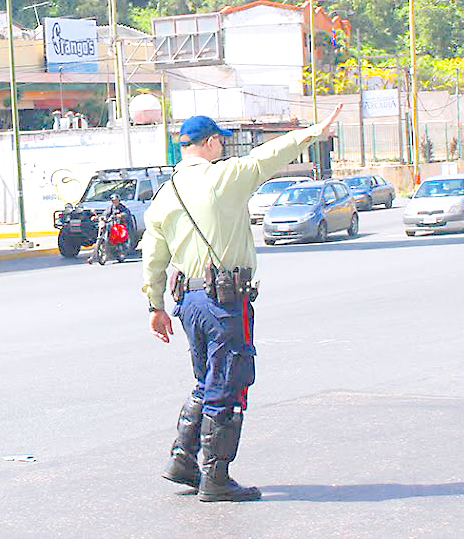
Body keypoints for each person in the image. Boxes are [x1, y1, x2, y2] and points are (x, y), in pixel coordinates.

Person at [141, 108, 341, 502]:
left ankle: (182, 460)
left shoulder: (166, 193)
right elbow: (268, 156)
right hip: (224, 301)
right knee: (229, 384)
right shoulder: (224, 178)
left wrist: (154, 306)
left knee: (205, 380)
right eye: (221, 141)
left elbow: (153, 256)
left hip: (188, 301)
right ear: (211, 142)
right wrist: (313, 133)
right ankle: (216, 478)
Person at [86, 193, 131, 265]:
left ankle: (121, 249)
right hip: (110, 223)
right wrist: (97, 217)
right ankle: (93, 257)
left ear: (119, 200)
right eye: (113, 201)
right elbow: (105, 214)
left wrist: (121, 215)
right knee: (103, 230)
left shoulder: (122, 207)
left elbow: (126, 213)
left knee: (118, 233)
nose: (115, 202)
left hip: (118, 224)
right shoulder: (110, 208)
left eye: (116, 200)